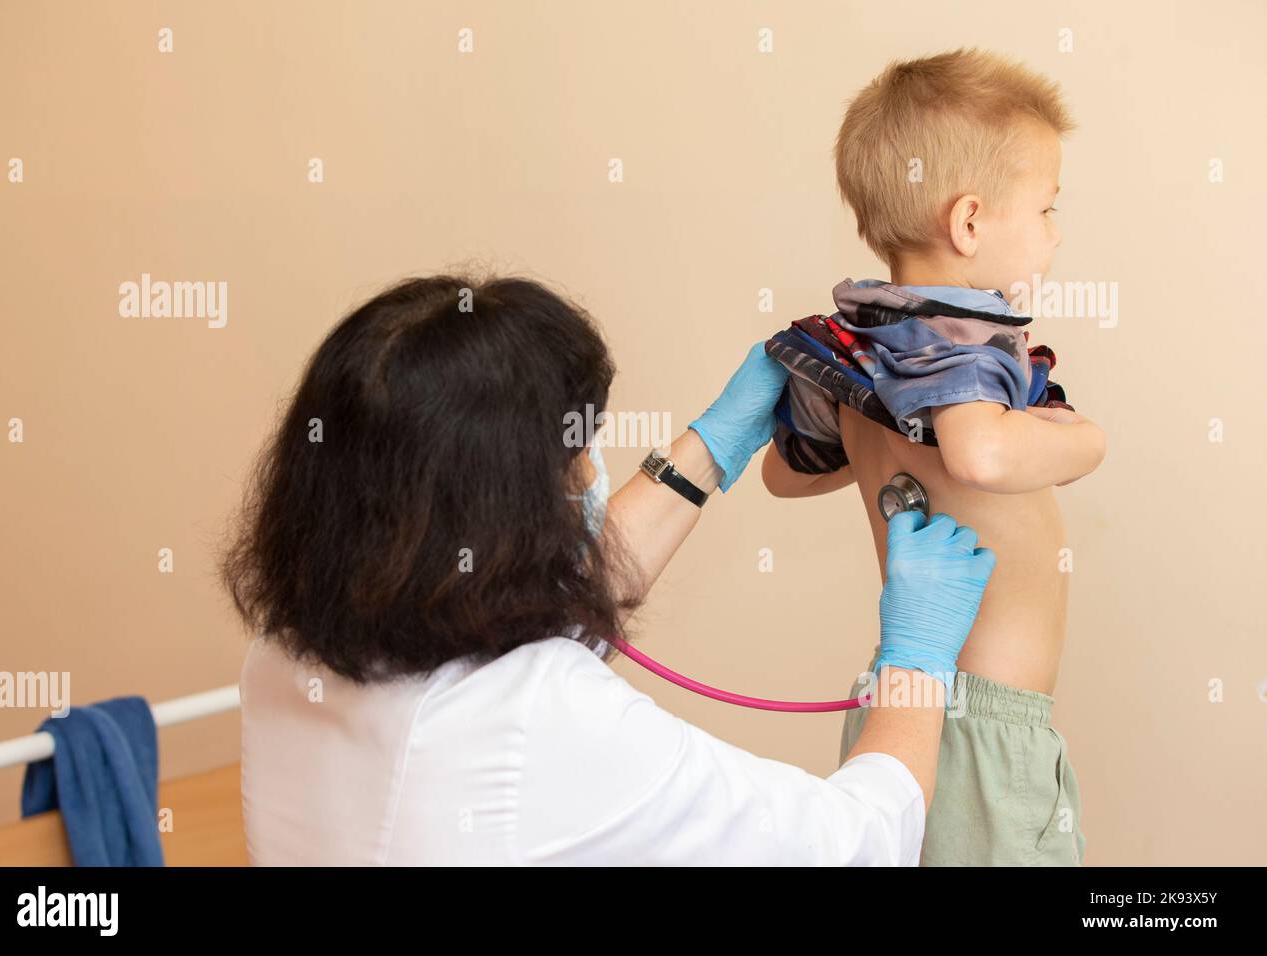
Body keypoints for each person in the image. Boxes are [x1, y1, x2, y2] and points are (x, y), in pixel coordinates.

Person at [225, 274, 994, 865]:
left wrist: (713, 443)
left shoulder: (289, 651)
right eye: (576, 451)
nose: (592, 470)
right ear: (503, 504)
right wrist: (915, 663)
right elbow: (849, 846)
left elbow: (549, 603)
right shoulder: (547, 723)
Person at [761, 49, 1105, 864]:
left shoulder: (867, 345)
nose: (1055, 234)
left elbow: (785, 472)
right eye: (1049, 209)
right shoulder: (966, 337)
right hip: (979, 726)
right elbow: (981, 456)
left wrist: (884, 430)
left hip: (901, 705)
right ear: (971, 222)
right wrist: (1087, 439)